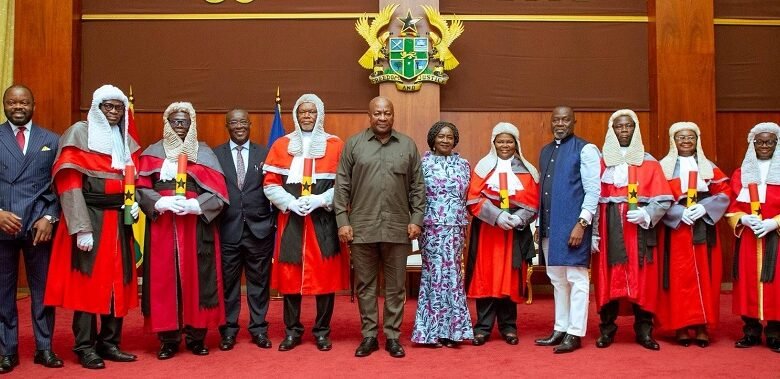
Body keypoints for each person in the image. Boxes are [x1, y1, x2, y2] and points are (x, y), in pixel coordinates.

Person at [44, 84, 141, 369]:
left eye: (118, 107)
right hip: (91, 218)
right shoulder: (79, 133)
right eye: (108, 107)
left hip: (118, 220)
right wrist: (81, 227)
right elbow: (70, 184)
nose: (113, 112)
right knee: (87, 284)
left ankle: (109, 343)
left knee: (117, 284)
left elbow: (130, 177)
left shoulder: (124, 138)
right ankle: (85, 346)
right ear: (97, 108)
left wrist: (131, 203)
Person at [334, 96, 425, 358]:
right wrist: (343, 221)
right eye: (377, 113)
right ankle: (369, 336)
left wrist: (416, 219)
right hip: (361, 227)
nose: (382, 118)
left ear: (393, 115)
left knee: (396, 286)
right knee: (366, 285)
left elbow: (418, 187)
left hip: (399, 227)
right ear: (369, 115)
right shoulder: (354, 144)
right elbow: (342, 186)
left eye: (387, 113)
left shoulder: (407, 145)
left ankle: (393, 337)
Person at [136, 102, 228, 360]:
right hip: (162, 226)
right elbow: (140, 186)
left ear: (191, 124)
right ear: (167, 123)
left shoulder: (205, 153)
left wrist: (196, 205)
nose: (179, 126)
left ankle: (197, 337)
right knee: (164, 280)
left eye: (184, 121)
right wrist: (160, 202)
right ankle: (168, 339)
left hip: (196, 227)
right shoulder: (152, 153)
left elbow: (219, 193)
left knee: (198, 279)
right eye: (175, 121)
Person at [263, 94, 349, 352]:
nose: (307, 116)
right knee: (290, 277)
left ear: (320, 114)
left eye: (312, 112)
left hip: (323, 219)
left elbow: (344, 185)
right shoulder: (282, 144)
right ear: (296, 115)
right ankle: (293, 331)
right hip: (292, 220)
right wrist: (290, 202)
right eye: (303, 112)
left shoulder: (335, 144)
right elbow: (269, 184)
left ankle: (322, 331)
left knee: (325, 277)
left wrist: (321, 200)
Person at [592, 109, 673, 350]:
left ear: (635, 129)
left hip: (639, 229)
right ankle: (607, 330)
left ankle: (644, 331)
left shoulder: (649, 162)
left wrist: (648, 213)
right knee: (608, 278)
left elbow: (664, 198)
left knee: (643, 279)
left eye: (628, 126)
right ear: (612, 130)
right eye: (619, 126)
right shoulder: (601, 162)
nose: (624, 130)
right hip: (609, 229)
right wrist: (594, 232)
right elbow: (593, 200)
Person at [0, 85, 62, 372]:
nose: (18, 106)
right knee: (3, 292)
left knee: (42, 291)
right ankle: (6, 350)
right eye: (12, 102)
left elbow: (59, 186)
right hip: (3, 225)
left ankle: (44, 348)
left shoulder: (51, 139)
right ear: (4, 105)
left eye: (23, 102)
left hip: (39, 227)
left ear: (33, 105)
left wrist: (49, 218)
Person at [656, 122, 730, 347]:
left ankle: (701, 326)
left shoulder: (708, 166)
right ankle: (680, 326)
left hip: (703, 227)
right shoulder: (663, 167)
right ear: (673, 141)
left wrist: (704, 207)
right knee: (678, 278)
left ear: (697, 140)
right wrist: (677, 212)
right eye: (681, 138)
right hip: (676, 230)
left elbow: (725, 192)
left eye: (690, 138)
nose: (686, 141)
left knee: (705, 276)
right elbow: (657, 197)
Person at [465, 122, 539, 347]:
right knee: (486, 277)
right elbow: (473, 199)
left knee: (509, 277)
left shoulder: (527, 170)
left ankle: (509, 327)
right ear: (493, 143)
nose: (504, 145)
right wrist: (497, 216)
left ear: (516, 144)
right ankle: (483, 328)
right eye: (500, 141)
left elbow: (534, 203)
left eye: (509, 141)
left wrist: (519, 218)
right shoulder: (483, 167)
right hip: (489, 232)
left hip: (514, 235)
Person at [534, 106, 600, 354]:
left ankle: (575, 333)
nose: (560, 123)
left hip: (573, 226)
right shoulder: (546, 151)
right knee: (557, 280)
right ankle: (560, 328)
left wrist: (582, 224)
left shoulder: (586, 149)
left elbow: (593, 190)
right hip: (550, 225)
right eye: (556, 120)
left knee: (577, 279)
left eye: (565, 119)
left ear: (574, 121)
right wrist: (540, 224)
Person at [214, 109, 275, 351]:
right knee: (228, 284)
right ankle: (228, 330)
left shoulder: (265, 153)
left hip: (259, 229)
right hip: (227, 229)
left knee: (259, 283)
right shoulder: (215, 154)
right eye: (233, 122)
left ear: (250, 124)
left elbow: (272, 187)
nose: (239, 126)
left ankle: (259, 329)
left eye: (243, 122)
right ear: (227, 126)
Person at [411, 121, 473, 348]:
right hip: (431, 227)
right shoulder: (422, 164)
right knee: (434, 276)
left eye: (449, 137)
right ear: (433, 139)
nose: (445, 140)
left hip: (456, 227)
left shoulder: (464, 164)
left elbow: (467, 196)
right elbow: (415, 196)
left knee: (453, 276)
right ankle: (429, 332)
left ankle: (453, 332)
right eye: (441, 136)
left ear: (455, 140)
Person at [726, 122, 780, 353]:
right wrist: (743, 219)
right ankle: (750, 331)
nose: (765, 146)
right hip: (749, 237)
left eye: (769, 142)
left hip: (775, 236)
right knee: (747, 282)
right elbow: (732, 203)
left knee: (776, 285)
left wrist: (774, 222)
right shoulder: (741, 173)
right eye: (760, 142)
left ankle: (776, 333)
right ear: (753, 144)